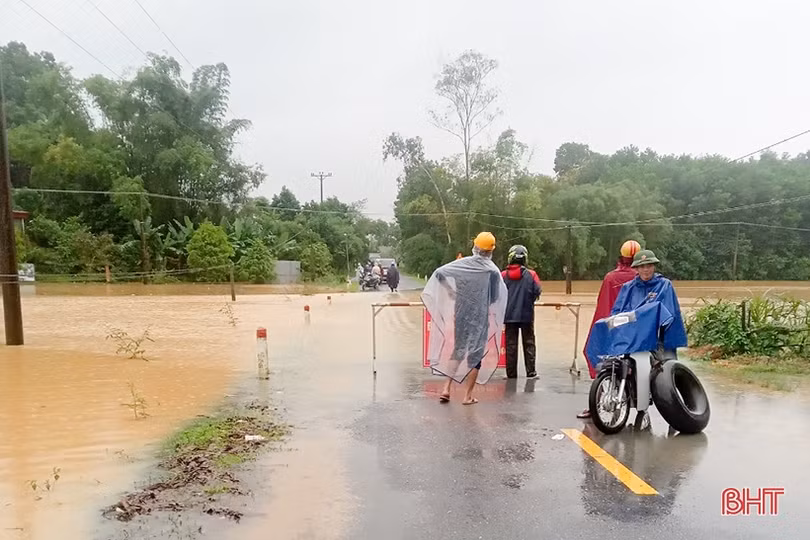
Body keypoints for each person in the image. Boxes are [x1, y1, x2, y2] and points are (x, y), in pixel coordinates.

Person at [422, 232, 507, 405]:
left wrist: (451, 291)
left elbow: (439, 273)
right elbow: (495, 296)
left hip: (461, 313)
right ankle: (467, 396)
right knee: (475, 356)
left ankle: (446, 388)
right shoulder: (492, 271)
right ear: (491, 251)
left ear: (475, 247)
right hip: (479, 317)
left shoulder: (462, 265)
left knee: (458, 350)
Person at [606, 249, 688, 427]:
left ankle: (677, 413)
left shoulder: (664, 285)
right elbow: (617, 311)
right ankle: (635, 406)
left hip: (658, 338)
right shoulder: (628, 288)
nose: (646, 270)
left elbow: (667, 312)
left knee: (668, 371)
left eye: (649, 266)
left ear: (654, 266)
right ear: (636, 268)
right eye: (642, 266)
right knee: (622, 365)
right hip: (634, 338)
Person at [577, 240, 640, 419]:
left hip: (612, 327)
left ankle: (596, 401)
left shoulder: (611, 277)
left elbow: (603, 306)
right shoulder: (642, 277)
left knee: (596, 357)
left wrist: (600, 331)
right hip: (635, 330)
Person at [501, 245, 542, 379]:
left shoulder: (503, 275)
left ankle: (511, 374)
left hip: (509, 316)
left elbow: (496, 294)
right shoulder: (532, 275)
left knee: (511, 346)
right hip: (526, 315)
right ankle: (531, 372)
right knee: (529, 343)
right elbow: (537, 291)